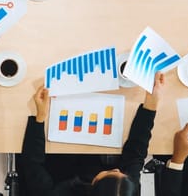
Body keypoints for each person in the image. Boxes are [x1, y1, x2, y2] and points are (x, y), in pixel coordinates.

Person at [19, 72, 165, 196]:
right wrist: (151, 106)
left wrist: (40, 117)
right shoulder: (125, 188)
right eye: (122, 173)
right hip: (95, 151)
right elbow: (135, 155)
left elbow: (32, 163)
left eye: (110, 173)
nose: (117, 169)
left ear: (93, 185)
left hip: (59, 160)